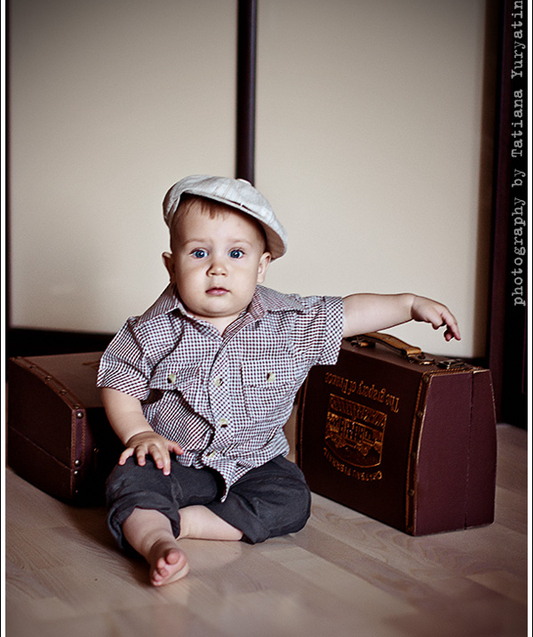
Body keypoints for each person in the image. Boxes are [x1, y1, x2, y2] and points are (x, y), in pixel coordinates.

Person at [97, 175, 461, 586]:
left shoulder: (289, 323)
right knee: (130, 481)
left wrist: (409, 304)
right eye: (199, 253)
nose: (218, 267)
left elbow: (350, 312)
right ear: (171, 265)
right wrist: (139, 434)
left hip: (254, 462)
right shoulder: (151, 330)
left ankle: (190, 523)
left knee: (292, 499)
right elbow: (119, 381)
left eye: (236, 253)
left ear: (262, 266)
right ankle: (157, 541)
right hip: (177, 461)